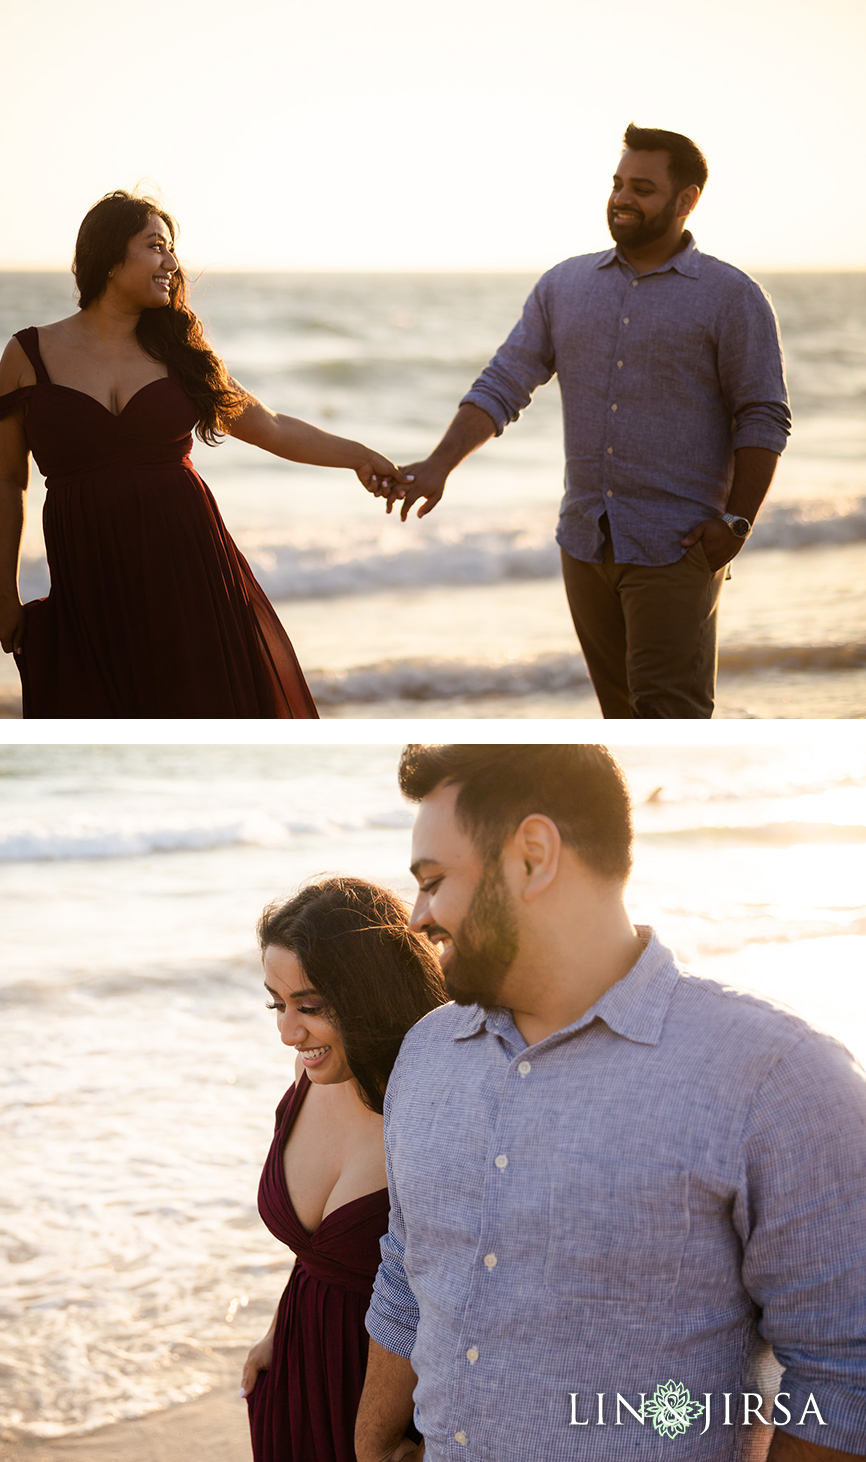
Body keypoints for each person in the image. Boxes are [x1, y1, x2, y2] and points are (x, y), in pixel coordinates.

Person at [354, 744, 866, 1462]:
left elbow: (847, 1377)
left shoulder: (778, 1079)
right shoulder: (428, 1054)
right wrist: (371, 1444)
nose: (417, 916)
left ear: (533, 856)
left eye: (435, 881)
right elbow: (408, 1270)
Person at [382, 126, 791, 719]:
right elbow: (504, 382)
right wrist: (439, 465)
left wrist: (737, 522)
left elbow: (763, 413)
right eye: (619, 184)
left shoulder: (731, 296)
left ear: (687, 200)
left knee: (671, 716)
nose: (623, 198)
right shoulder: (564, 285)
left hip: (676, 547)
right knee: (620, 718)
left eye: (643, 188)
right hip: (585, 541)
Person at [0, 189, 403, 719]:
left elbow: (269, 426)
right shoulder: (27, 354)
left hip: (191, 570)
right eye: (156, 246)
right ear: (111, 258)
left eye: (172, 249)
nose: (172, 263)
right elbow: (7, 483)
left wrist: (359, 455)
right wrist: (5, 591)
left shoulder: (181, 353)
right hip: (91, 578)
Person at [244, 877, 445, 1462]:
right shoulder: (308, 1083)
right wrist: (278, 1333)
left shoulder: (437, 1102)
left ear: (368, 993)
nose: (287, 1032)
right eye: (277, 1005)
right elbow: (315, 1257)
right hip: (296, 1378)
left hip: (398, 1405)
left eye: (309, 1007)